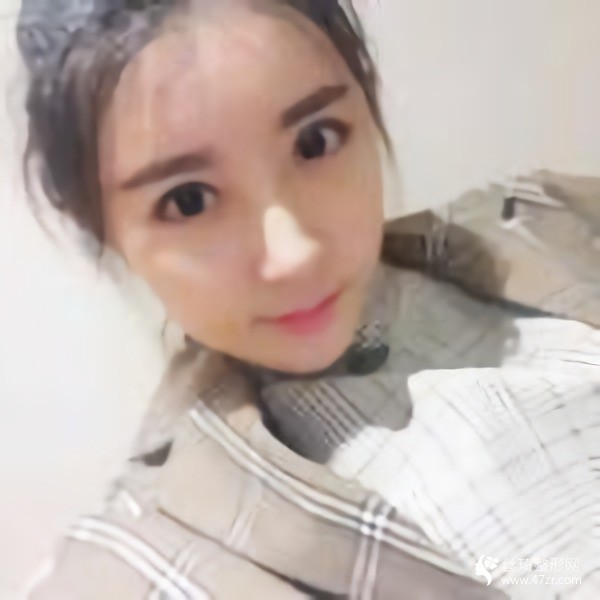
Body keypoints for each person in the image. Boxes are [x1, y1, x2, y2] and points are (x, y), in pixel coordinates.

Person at [16, 0, 599, 598]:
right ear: (100, 226)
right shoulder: (132, 569)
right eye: (189, 200)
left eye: (315, 142)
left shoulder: (555, 220)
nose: (293, 252)